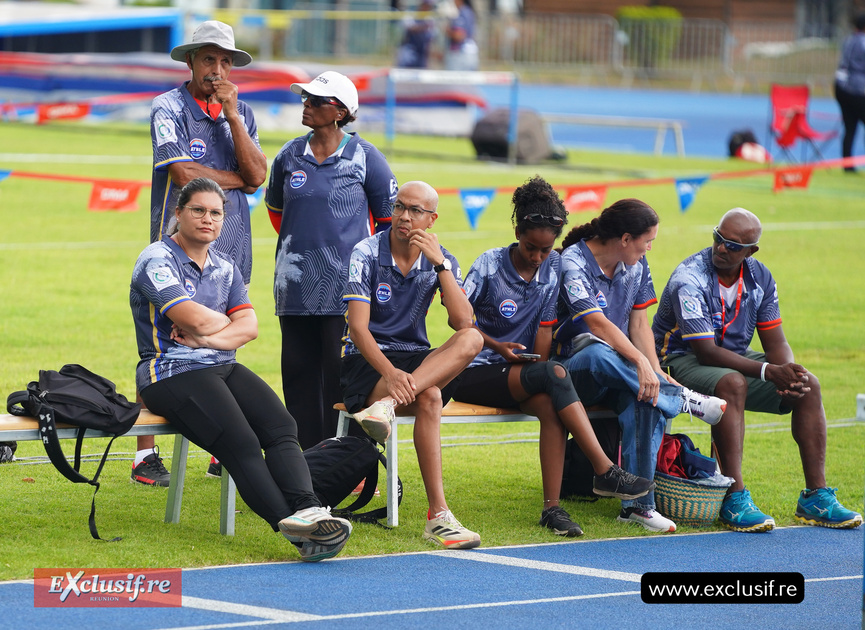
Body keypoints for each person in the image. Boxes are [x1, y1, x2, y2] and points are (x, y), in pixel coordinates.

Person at [130, 178, 352, 562]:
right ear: (178, 213)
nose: (207, 219)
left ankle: (310, 510)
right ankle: (295, 530)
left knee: (282, 426)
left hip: (222, 364)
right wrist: (223, 327)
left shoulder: (225, 266)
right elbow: (189, 316)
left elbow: (250, 328)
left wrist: (208, 338)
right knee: (241, 442)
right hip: (169, 371)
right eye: (198, 210)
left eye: (216, 213)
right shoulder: (156, 259)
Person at [451, 177, 654, 537]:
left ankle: (552, 509)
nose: (537, 257)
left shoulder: (553, 269)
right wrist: (498, 348)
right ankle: (606, 471)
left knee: (550, 401)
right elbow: (460, 322)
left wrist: (537, 365)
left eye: (546, 250)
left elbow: (545, 328)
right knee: (555, 376)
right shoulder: (488, 263)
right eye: (531, 247)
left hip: (521, 374)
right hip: (476, 371)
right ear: (517, 231)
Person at [652, 208, 862, 532]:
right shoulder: (689, 277)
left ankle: (816, 498)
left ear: (751, 251)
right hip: (676, 359)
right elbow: (706, 352)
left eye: (733, 245)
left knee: (809, 386)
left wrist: (789, 373)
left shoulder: (759, 276)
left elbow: (775, 341)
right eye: (717, 238)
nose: (721, 248)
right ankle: (734, 498)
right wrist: (767, 372)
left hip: (731, 357)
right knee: (733, 383)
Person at [133, 20, 267, 485]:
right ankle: (144, 454)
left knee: (229, 336)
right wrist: (238, 180)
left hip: (231, 244)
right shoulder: (167, 106)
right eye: (209, 59)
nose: (218, 69)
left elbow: (258, 174)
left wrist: (231, 116)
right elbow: (186, 176)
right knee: (159, 342)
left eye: (226, 61)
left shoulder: (242, 112)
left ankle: (221, 443)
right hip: (175, 244)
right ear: (190, 60)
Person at [553, 199, 727, 533]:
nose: (649, 249)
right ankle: (680, 399)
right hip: (571, 370)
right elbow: (596, 324)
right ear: (624, 239)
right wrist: (639, 362)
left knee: (646, 398)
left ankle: (637, 507)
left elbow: (640, 326)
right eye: (647, 241)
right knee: (599, 353)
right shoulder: (571, 261)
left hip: (619, 372)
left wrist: (655, 370)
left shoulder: (637, 265)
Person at [340, 180, 484, 549]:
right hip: (367, 360)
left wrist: (440, 266)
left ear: (431, 219)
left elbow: (462, 322)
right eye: (400, 206)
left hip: (413, 363)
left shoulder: (441, 257)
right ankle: (438, 516)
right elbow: (357, 329)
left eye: (415, 211)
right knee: (430, 397)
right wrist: (389, 374)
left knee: (474, 339)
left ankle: (386, 407)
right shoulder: (366, 251)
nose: (403, 216)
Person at [264, 71, 397, 450]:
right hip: (294, 288)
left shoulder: (366, 157)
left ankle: (348, 461)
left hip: (346, 290)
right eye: (305, 99)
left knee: (342, 377)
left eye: (315, 101)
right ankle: (307, 460)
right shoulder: (289, 155)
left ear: (339, 111)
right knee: (299, 374)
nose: (306, 105)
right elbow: (278, 213)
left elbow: (388, 222)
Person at [834, 13, 865, 172]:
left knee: (850, 126)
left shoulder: (849, 40)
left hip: (841, 88)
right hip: (857, 89)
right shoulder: (863, 42)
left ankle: (847, 164)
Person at [396, 0, 437, 69]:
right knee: (403, 72)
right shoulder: (411, 15)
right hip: (409, 49)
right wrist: (423, 27)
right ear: (421, 5)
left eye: (429, 6)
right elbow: (410, 27)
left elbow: (431, 39)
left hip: (422, 53)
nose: (427, 8)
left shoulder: (430, 20)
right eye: (425, 5)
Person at [444, 0, 479, 71]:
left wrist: (447, 31)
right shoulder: (468, 12)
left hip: (461, 54)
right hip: (469, 53)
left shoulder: (463, 12)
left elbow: (459, 35)